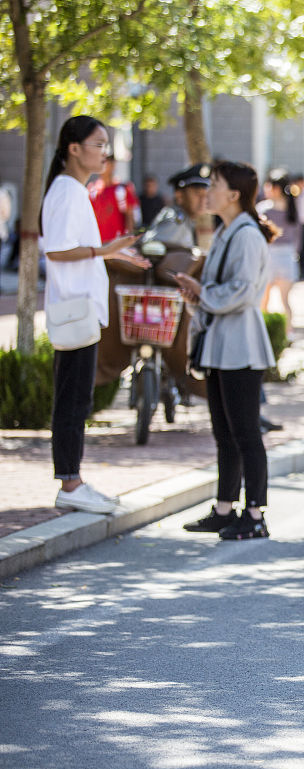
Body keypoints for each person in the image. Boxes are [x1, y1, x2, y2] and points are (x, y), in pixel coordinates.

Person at [40, 116, 147, 514]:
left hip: (78, 309)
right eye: (99, 144)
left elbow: (71, 249)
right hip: (75, 311)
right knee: (73, 399)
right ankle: (70, 483)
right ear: (74, 148)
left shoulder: (72, 190)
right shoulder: (67, 191)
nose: (105, 153)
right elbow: (56, 251)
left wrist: (111, 251)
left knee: (76, 397)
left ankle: (72, 480)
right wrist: (104, 250)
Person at [174, 161, 277, 540]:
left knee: (246, 432)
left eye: (213, 184)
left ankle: (255, 514)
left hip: (240, 347)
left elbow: (243, 291)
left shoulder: (246, 235)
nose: (207, 190)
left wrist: (201, 292)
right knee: (225, 432)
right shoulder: (226, 230)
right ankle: (224, 508)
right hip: (223, 345)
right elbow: (221, 291)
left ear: (234, 194)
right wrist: (197, 295)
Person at [258, 174, 300, 334]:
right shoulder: (292, 207)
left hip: (269, 255)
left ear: (275, 188)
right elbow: (298, 236)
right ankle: (289, 333)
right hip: (288, 256)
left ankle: (263, 332)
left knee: (264, 299)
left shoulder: (264, 209)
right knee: (285, 300)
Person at [144, 164, 211, 249]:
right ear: (179, 196)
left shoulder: (185, 219)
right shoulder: (175, 221)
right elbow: (152, 251)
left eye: (206, 195)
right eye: (197, 194)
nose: (203, 200)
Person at [88, 156, 139, 242]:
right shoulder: (92, 190)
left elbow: (129, 216)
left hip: (116, 244)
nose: (103, 166)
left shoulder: (121, 189)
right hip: (97, 244)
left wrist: (128, 240)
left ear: (113, 165)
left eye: (106, 163)